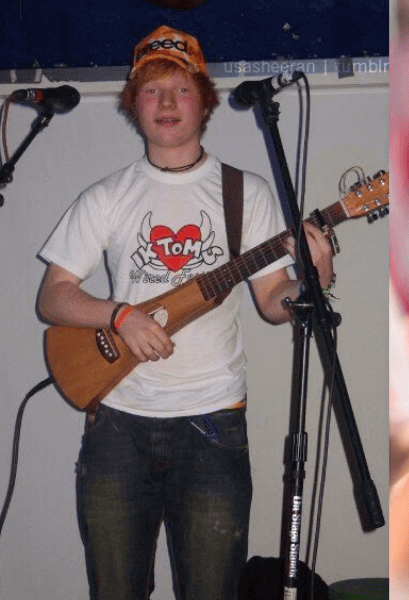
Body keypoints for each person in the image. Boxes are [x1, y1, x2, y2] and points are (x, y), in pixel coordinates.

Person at [36, 25, 334, 600]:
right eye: (151, 91)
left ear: (205, 101)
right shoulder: (107, 196)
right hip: (118, 425)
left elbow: (275, 303)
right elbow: (53, 297)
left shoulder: (245, 193)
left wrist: (315, 279)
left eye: (180, 88)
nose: (167, 102)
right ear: (133, 103)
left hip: (213, 428)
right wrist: (119, 315)